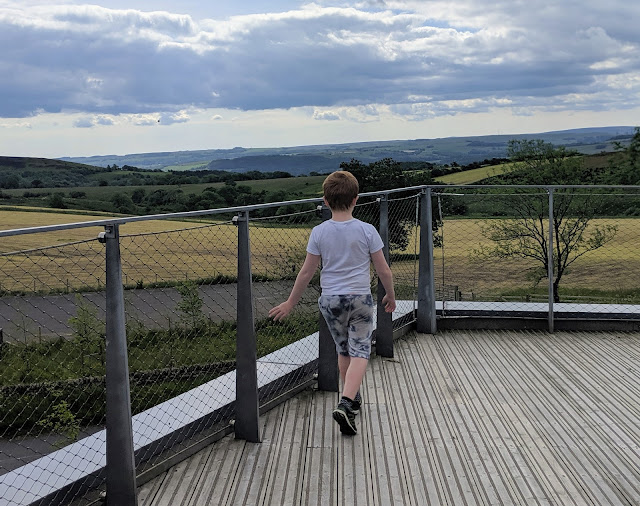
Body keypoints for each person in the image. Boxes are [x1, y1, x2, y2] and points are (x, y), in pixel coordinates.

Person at [269, 170, 396, 436]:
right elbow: (383, 269)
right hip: (359, 298)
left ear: (325, 201)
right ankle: (347, 402)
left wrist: (290, 302)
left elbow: (306, 272)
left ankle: (350, 395)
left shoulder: (319, 232)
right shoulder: (367, 230)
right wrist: (390, 295)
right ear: (356, 199)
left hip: (330, 300)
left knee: (343, 349)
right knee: (361, 350)